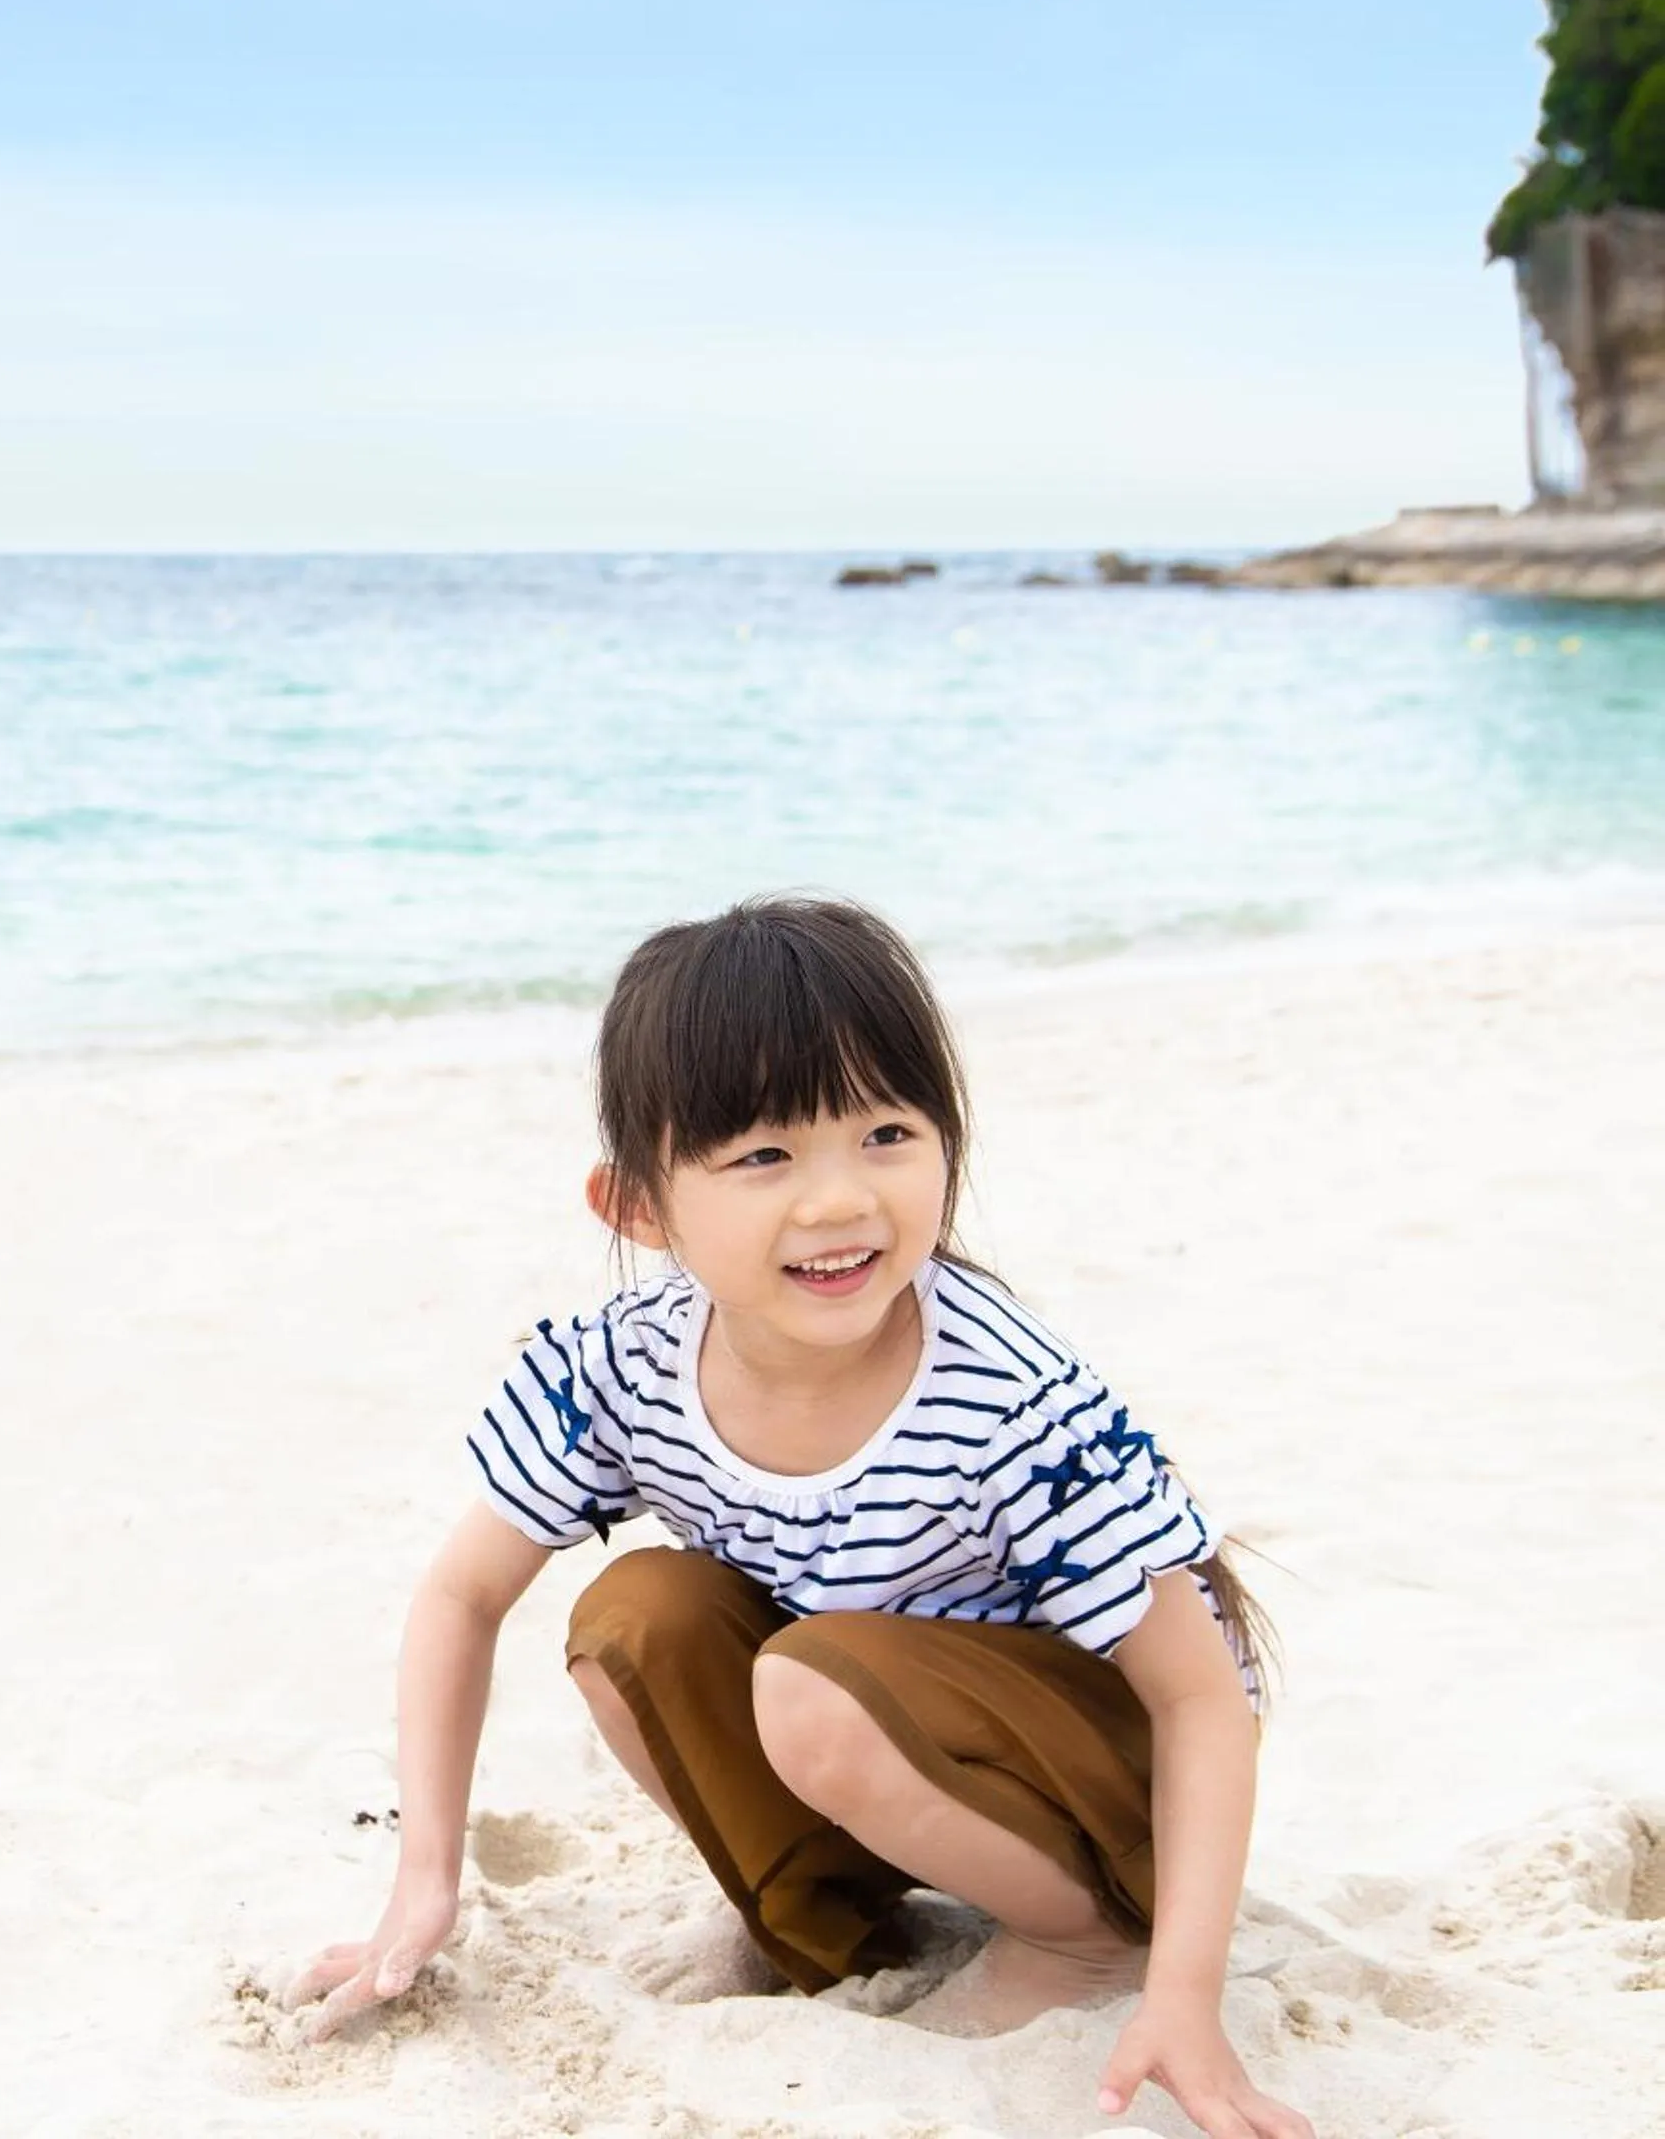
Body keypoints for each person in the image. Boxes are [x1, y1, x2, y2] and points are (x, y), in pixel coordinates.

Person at [290, 896, 1312, 2139]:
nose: (839, 1201)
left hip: (1121, 1805)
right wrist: (423, 1883)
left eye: (886, 1132)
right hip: (890, 1750)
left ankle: (1079, 1944)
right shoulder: (622, 1365)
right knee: (635, 1616)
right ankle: (825, 1914)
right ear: (640, 1209)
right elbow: (461, 1596)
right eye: (765, 1156)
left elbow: (1202, 1698)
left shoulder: (1002, 1397)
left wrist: (1183, 1989)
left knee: (809, 1681)